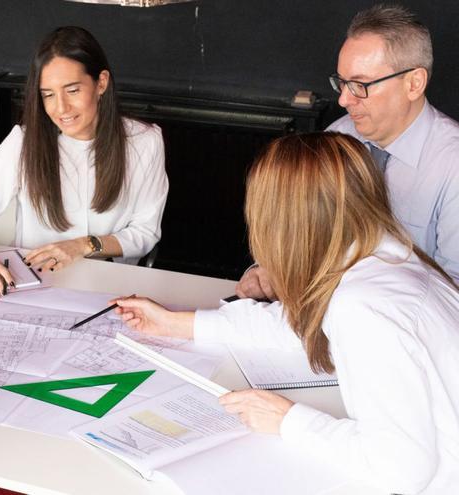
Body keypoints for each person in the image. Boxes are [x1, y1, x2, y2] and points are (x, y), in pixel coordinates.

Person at [113, 133, 459, 494]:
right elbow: (301, 325)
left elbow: (402, 467)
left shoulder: (364, 306)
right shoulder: (383, 256)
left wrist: (286, 419)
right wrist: (177, 323)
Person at [238, 4, 459, 300]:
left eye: (359, 85)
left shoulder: (452, 163)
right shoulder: (339, 136)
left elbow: (453, 292)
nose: (343, 99)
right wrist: (269, 271)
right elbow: (303, 236)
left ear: (414, 83)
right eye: (342, 83)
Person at [0, 26, 168, 297]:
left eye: (72, 90)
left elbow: (145, 232)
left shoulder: (145, 141)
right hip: (33, 285)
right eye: (48, 95)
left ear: (101, 83)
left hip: (112, 286)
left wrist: (84, 245)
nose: (61, 108)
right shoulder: (23, 142)